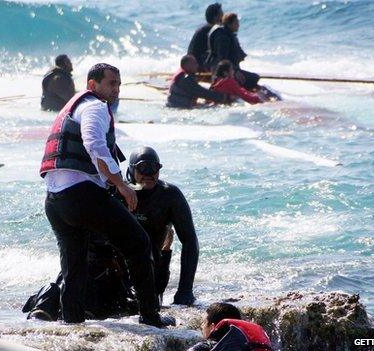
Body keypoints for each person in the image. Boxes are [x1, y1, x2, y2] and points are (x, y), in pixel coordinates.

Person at [40, 62, 171, 327]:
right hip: (81, 195)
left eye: (119, 84)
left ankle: (72, 322)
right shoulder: (94, 107)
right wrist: (120, 184)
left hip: (55, 200)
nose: (116, 89)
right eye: (111, 83)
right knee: (138, 243)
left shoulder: (73, 107)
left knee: (74, 264)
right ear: (92, 85)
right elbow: (94, 143)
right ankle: (150, 317)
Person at [126, 146, 199, 305]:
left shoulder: (169, 196)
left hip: (154, 268)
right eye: (142, 168)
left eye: (154, 168)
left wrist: (185, 291)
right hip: (121, 267)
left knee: (149, 305)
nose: (149, 174)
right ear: (131, 170)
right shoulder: (120, 193)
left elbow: (190, 241)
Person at [206, 13, 260, 90]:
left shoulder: (229, 35)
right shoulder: (223, 38)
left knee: (255, 77)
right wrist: (236, 71)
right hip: (223, 72)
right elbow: (222, 59)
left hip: (231, 69)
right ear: (229, 24)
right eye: (236, 23)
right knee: (253, 78)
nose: (238, 25)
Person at [188, 303, 272, 351]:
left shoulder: (207, 346)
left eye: (204, 322)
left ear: (213, 327)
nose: (201, 326)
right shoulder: (252, 345)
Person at [187, 3, 223, 72]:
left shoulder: (205, 28)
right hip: (198, 66)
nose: (224, 16)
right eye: (221, 14)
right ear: (216, 17)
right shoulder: (213, 30)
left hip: (191, 63)